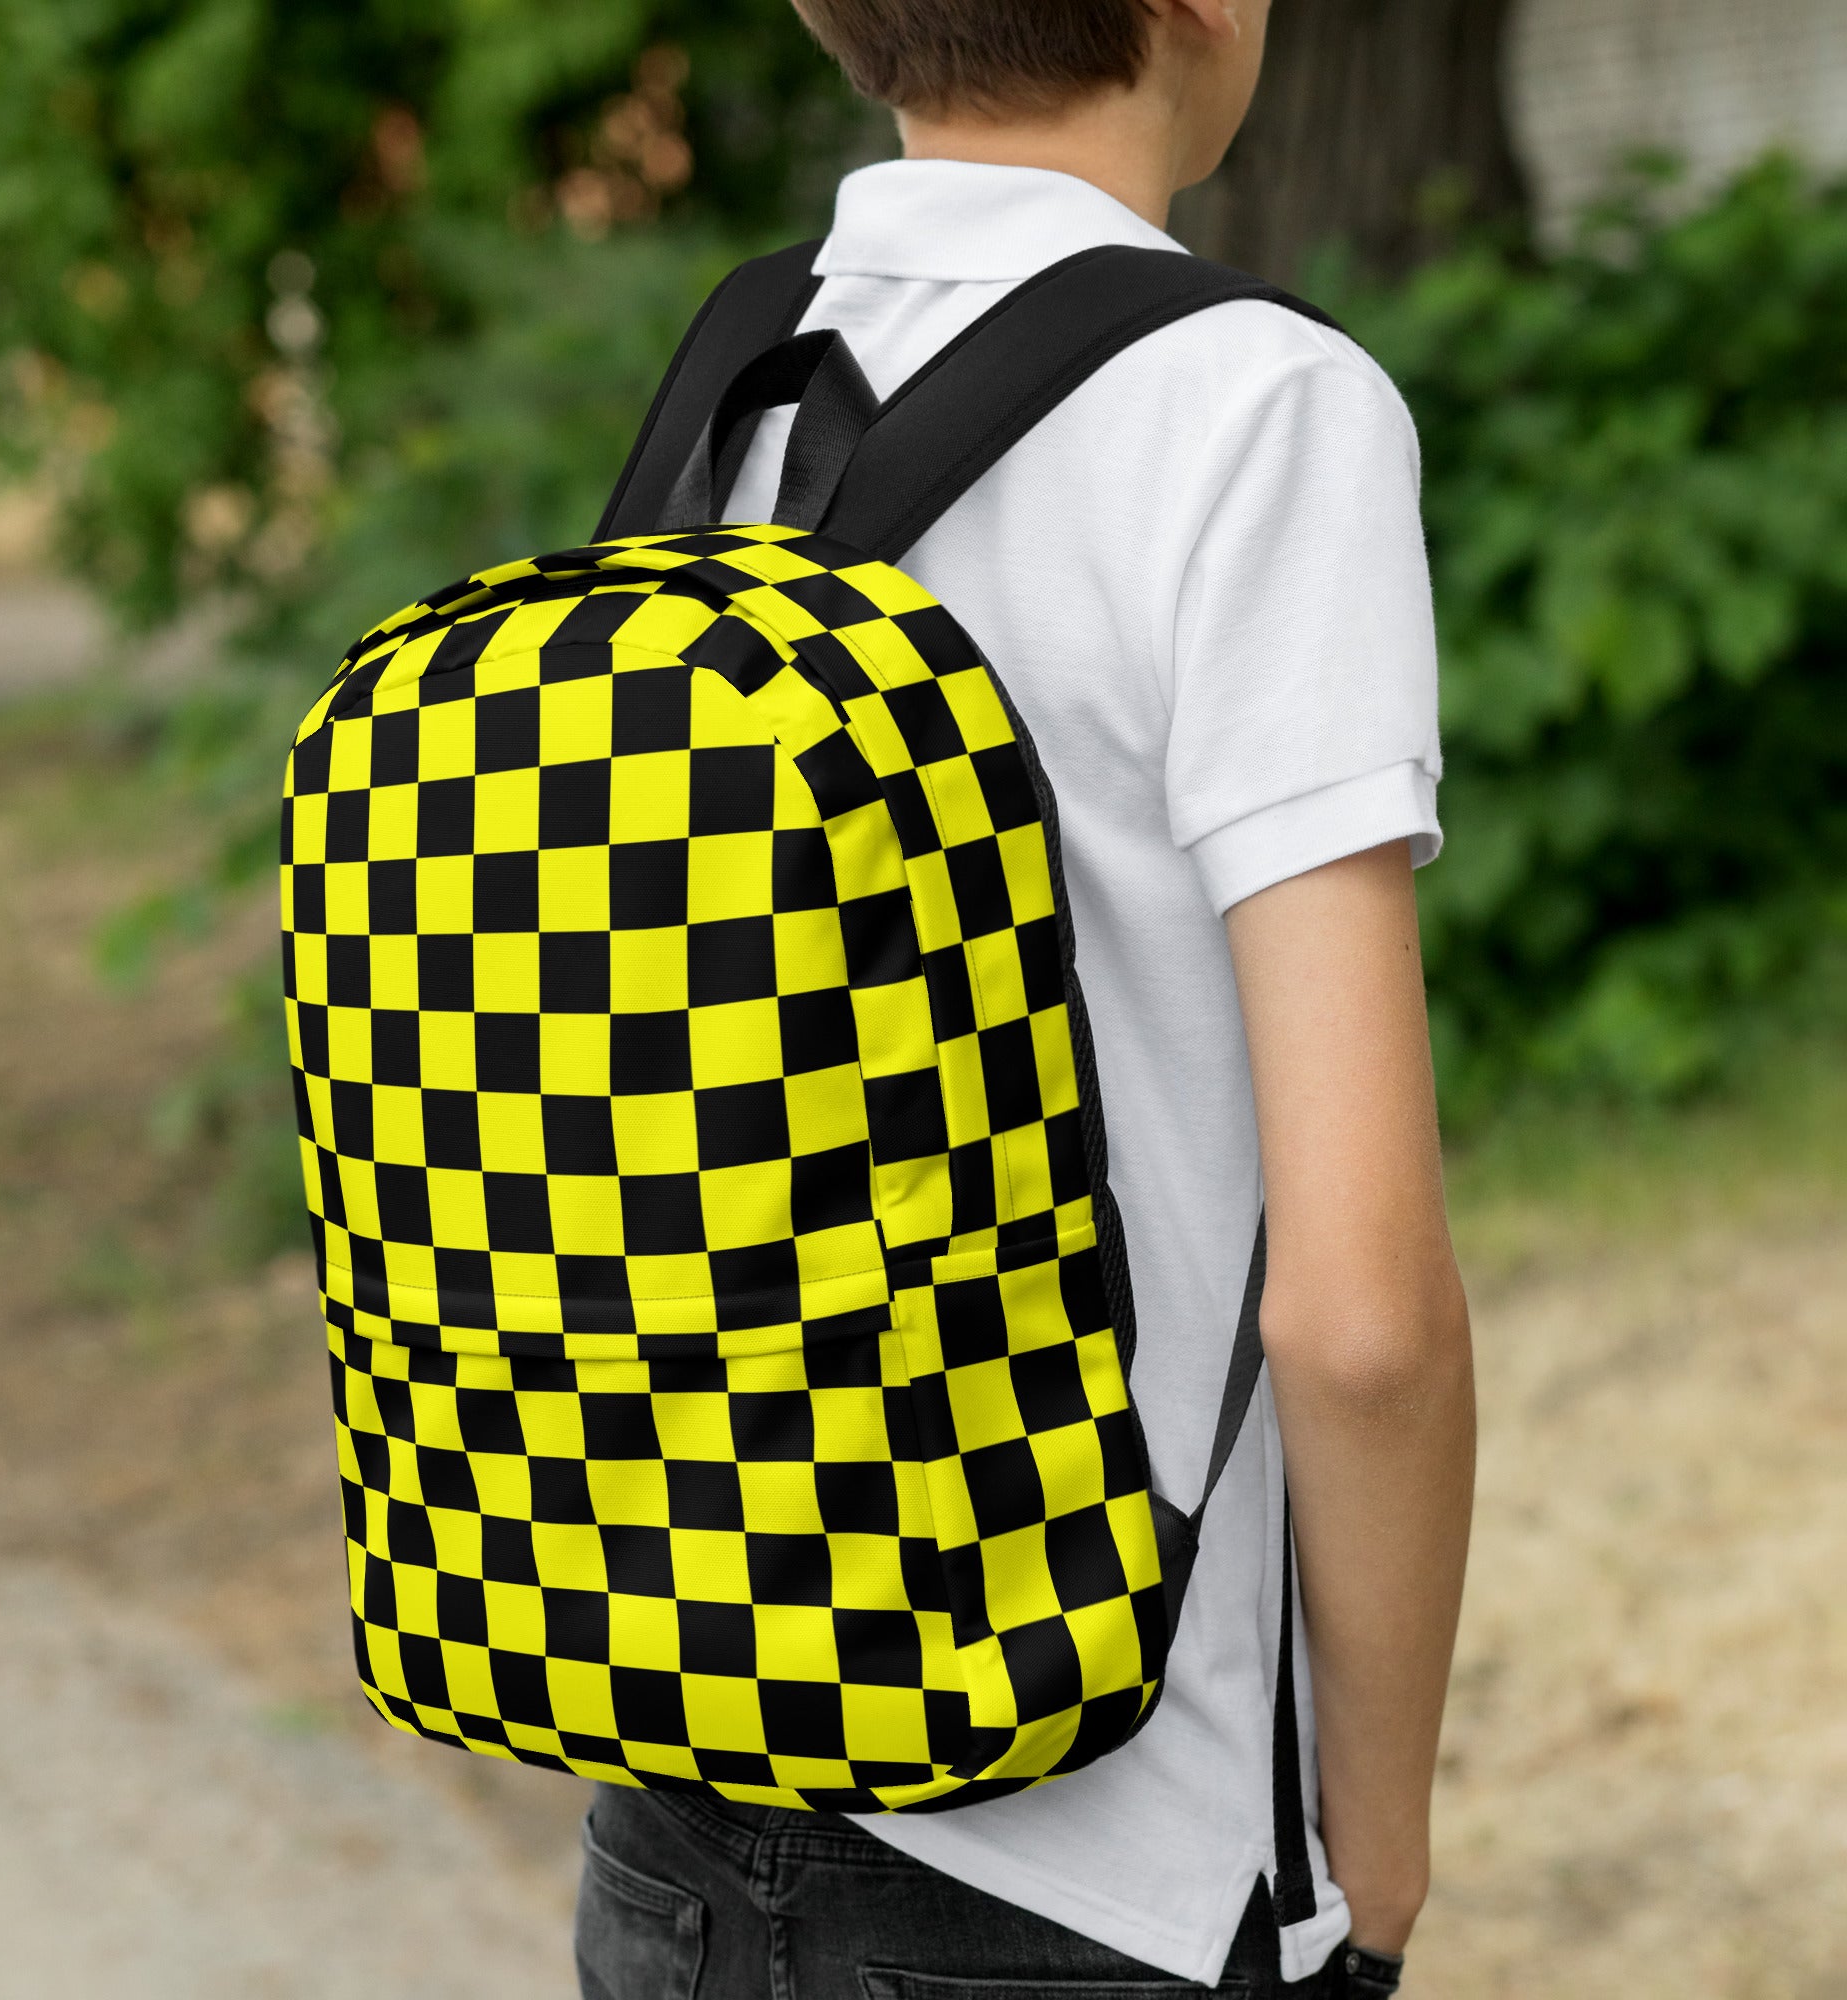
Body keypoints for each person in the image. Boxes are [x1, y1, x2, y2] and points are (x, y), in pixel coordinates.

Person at [574, 2, 1476, 1993]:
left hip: (674, 1786)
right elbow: (1361, 1321)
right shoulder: (1256, 406)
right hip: (1098, 1846)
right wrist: (1382, 1847)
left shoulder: (741, 376)